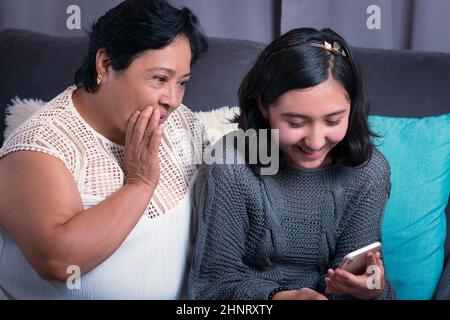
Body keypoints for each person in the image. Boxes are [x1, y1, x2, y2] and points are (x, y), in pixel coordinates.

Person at [0, 0, 207, 299]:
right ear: (106, 65)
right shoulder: (39, 146)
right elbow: (59, 262)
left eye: (182, 82)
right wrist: (140, 183)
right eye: (160, 79)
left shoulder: (180, 122)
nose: (172, 99)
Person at [189, 27, 396, 300]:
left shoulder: (368, 172)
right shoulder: (230, 164)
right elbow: (211, 287)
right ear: (264, 106)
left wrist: (371, 290)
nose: (314, 141)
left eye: (333, 121)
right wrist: (279, 297)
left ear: (352, 107)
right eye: (296, 123)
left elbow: (355, 278)